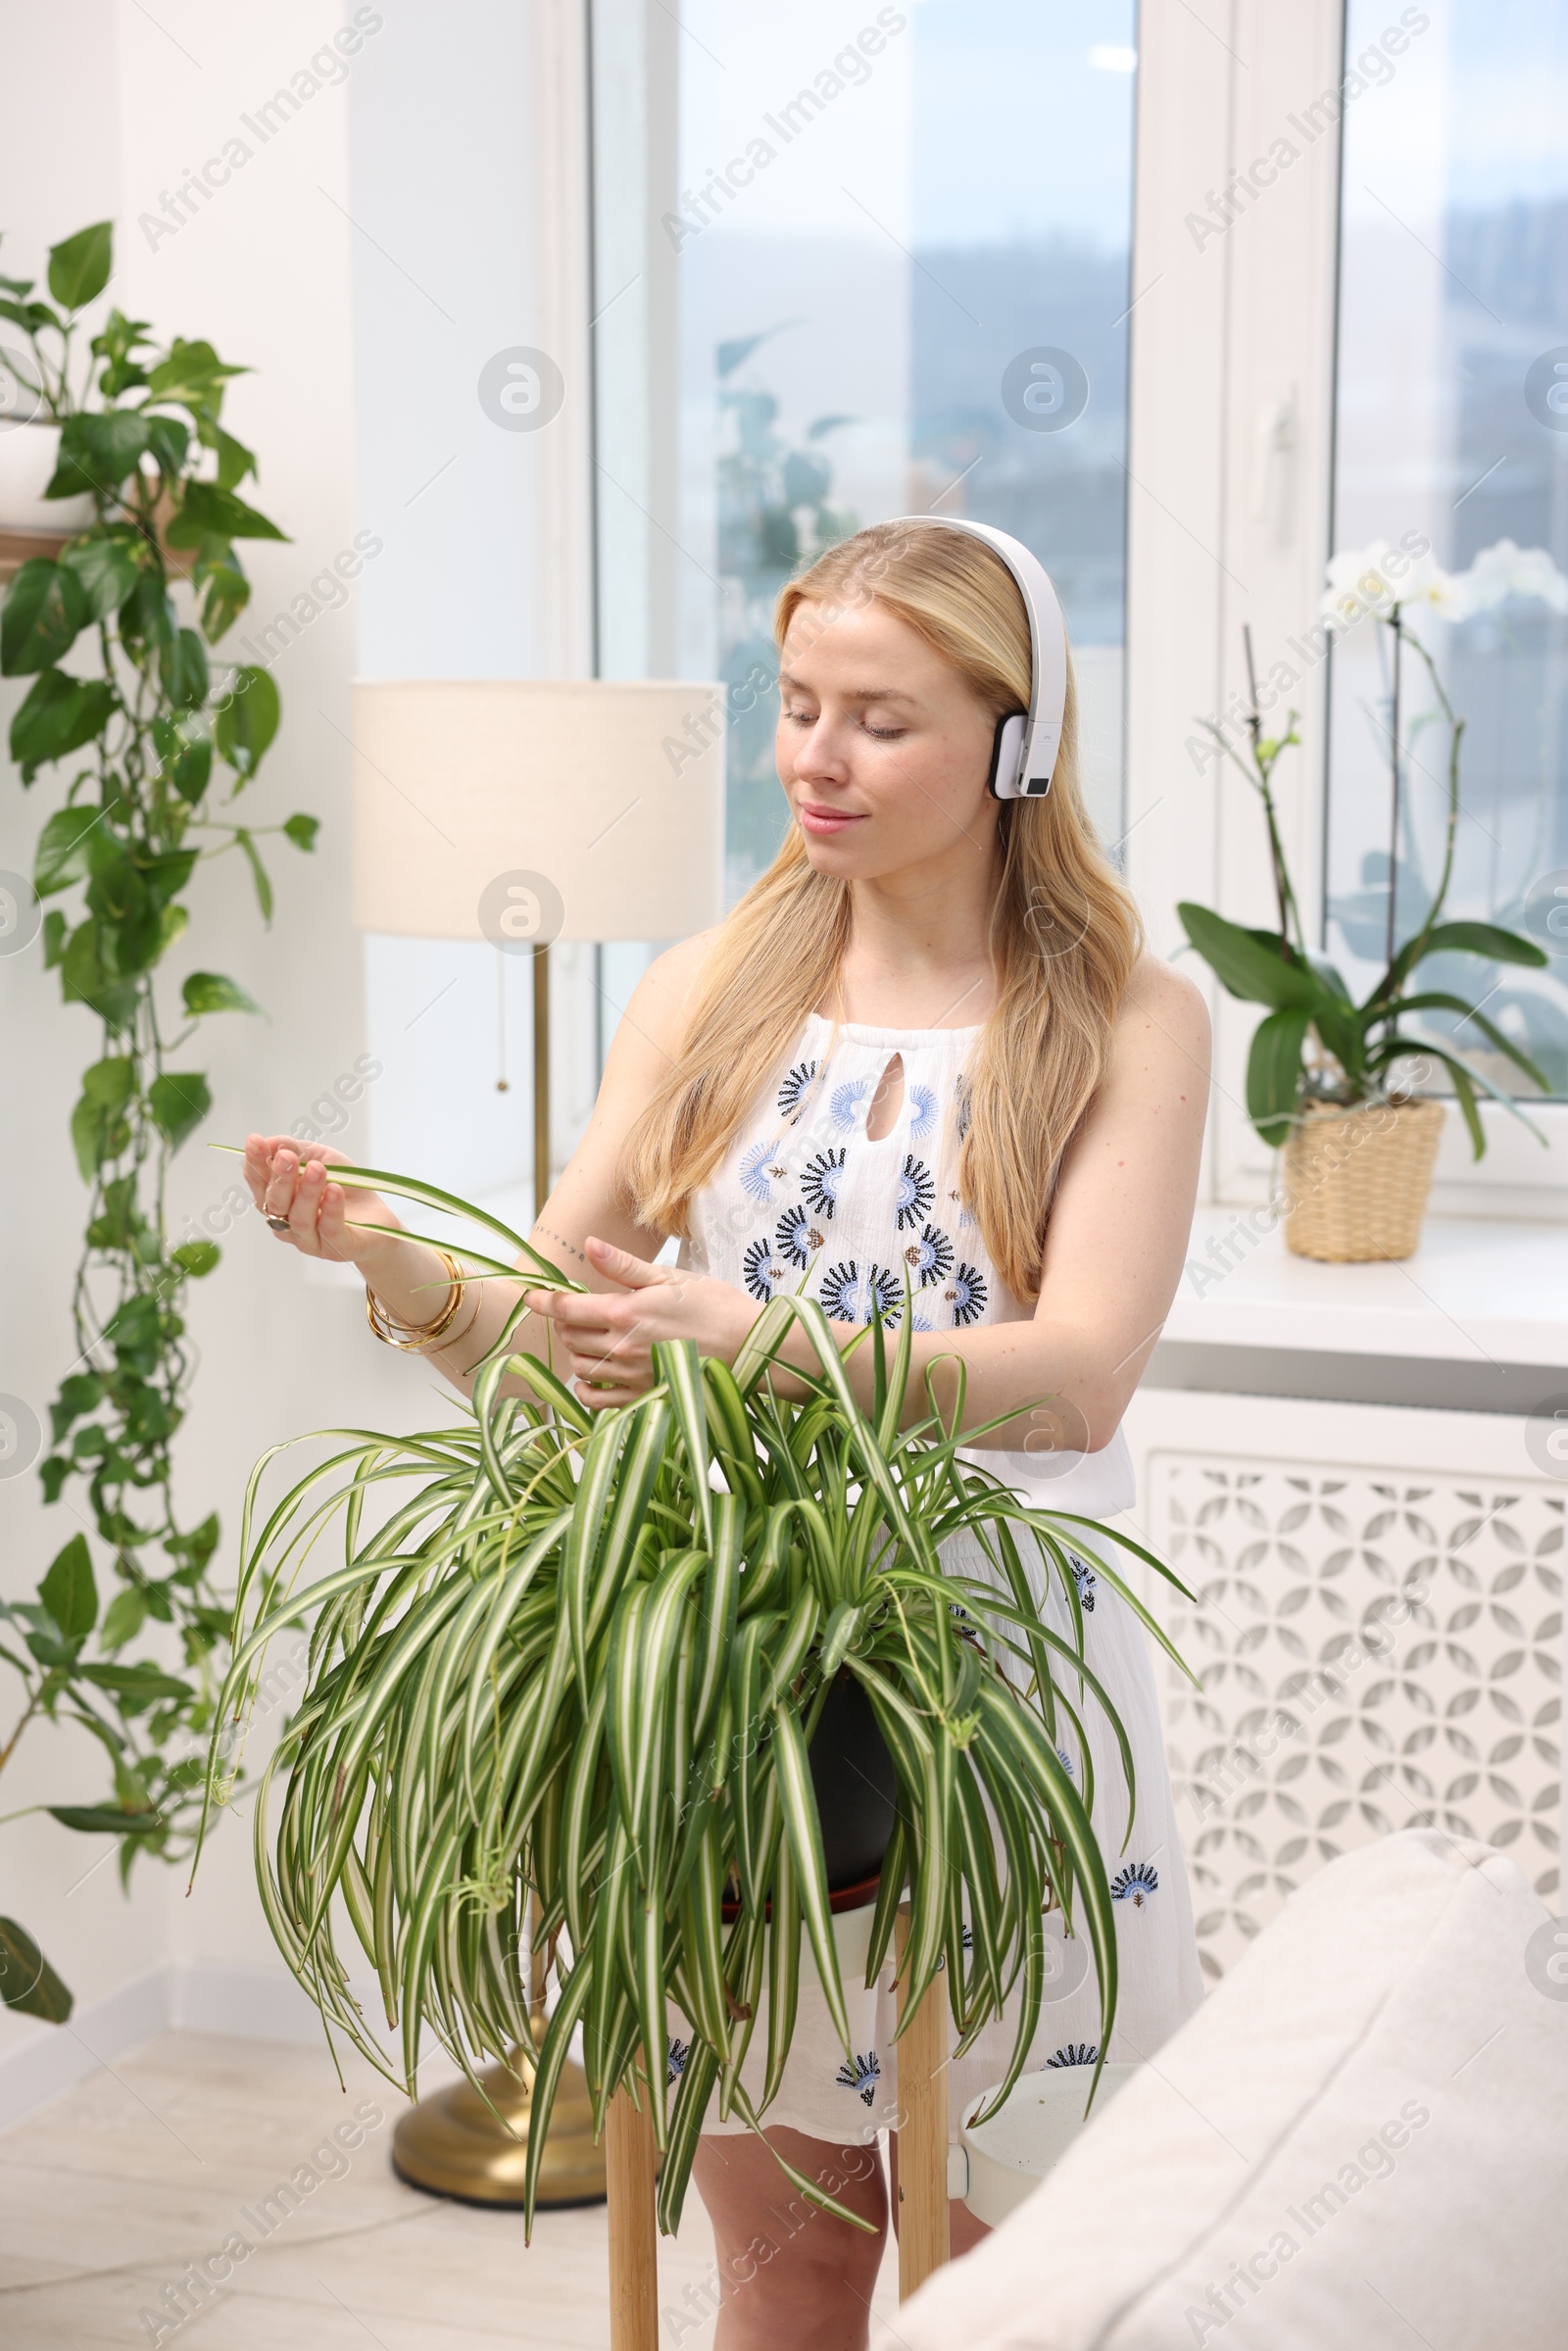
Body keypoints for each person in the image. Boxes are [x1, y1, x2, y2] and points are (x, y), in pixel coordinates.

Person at [245, 517, 1209, 2350]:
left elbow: (1078, 1375)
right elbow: (548, 1356)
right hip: (737, 1703)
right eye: (796, 707)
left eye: (882, 720)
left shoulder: (1126, 1021)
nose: (817, 760)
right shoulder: (707, 989)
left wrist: (760, 1344)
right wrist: (387, 1260)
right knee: (787, 2275)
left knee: (1017, 2278)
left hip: (995, 1702)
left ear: (1018, 745)